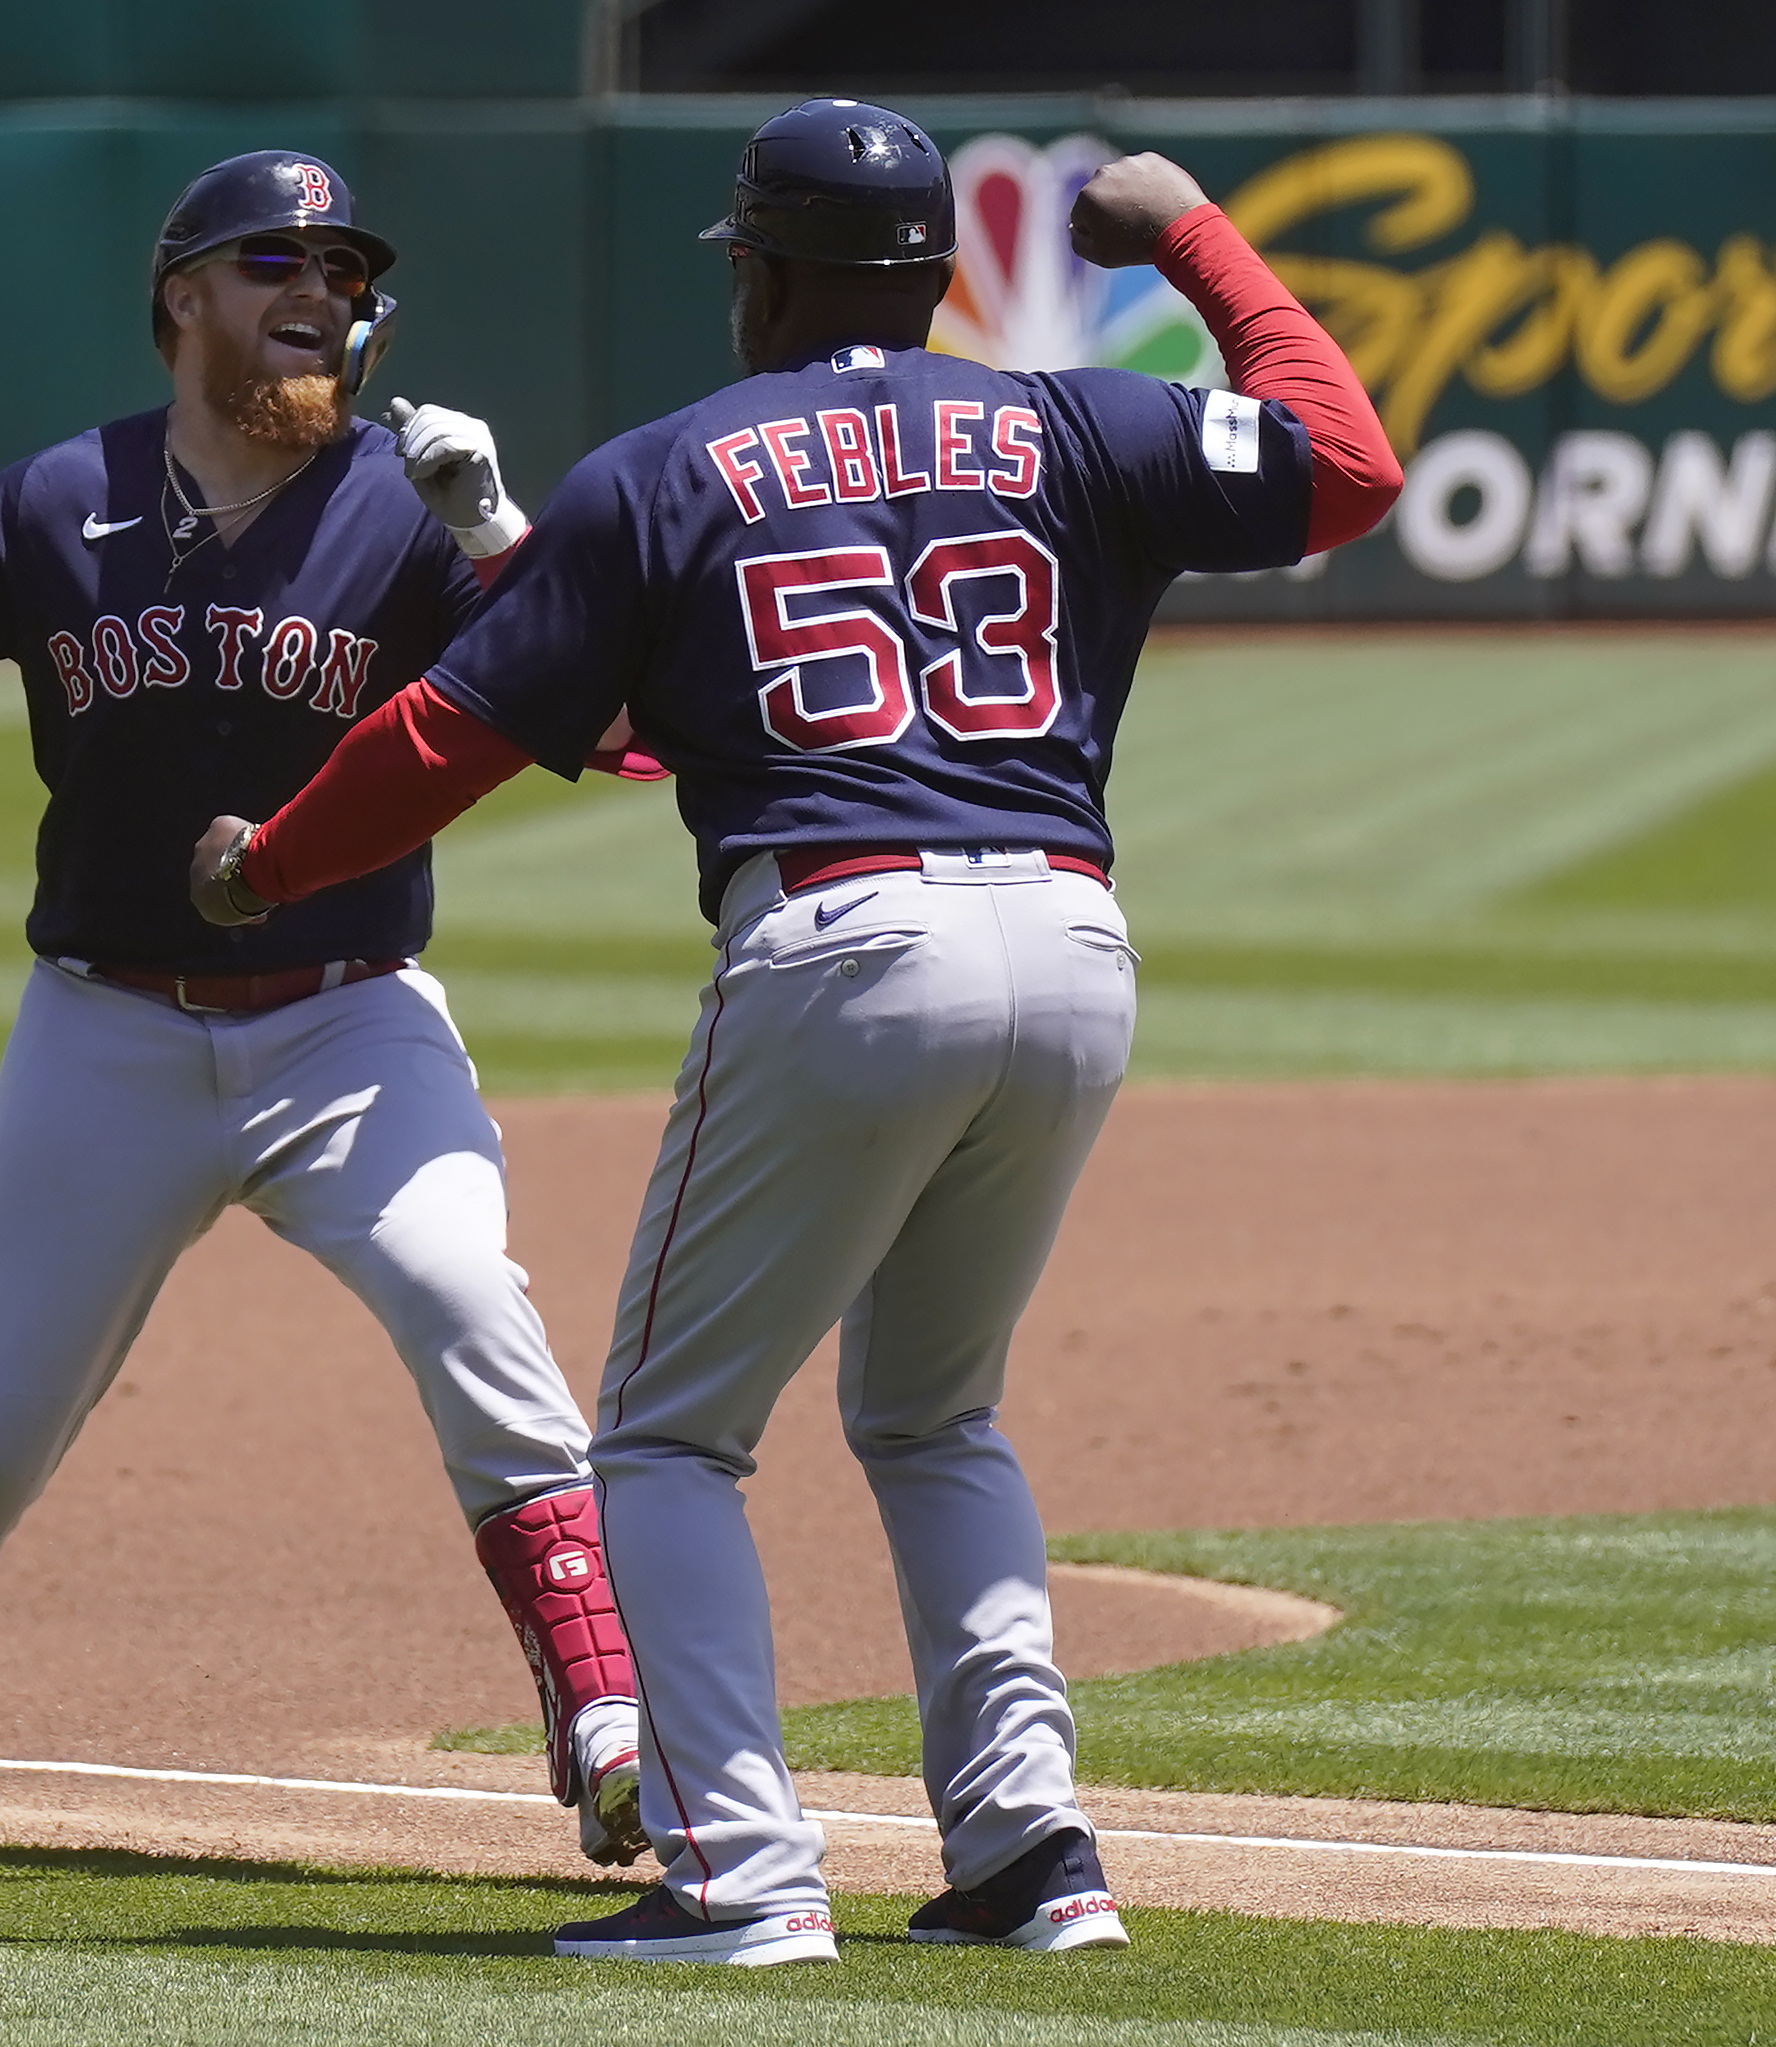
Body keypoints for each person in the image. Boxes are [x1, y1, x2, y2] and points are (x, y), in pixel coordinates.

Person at [186, 101, 1403, 1964]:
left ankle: (739, 1875)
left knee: (667, 1445)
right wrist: (1192, 238)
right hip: (1074, 942)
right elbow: (1347, 463)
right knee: (936, 1412)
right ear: (931, 277)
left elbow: (449, 737)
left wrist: (265, 865)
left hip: (843, 941)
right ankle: (1027, 1849)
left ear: (759, 269)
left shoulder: (672, 465)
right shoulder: (1080, 422)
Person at [0, 149, 646, 1871]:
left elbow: (601, 721)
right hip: (110, 1031)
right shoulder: (54, 500)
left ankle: (607, 1716)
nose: (319, 295)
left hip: (349, 1022)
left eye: (343, 274)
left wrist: (497, 534)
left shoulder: (406, 503)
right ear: (181, 297)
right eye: (273, 264)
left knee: (485, 1327)